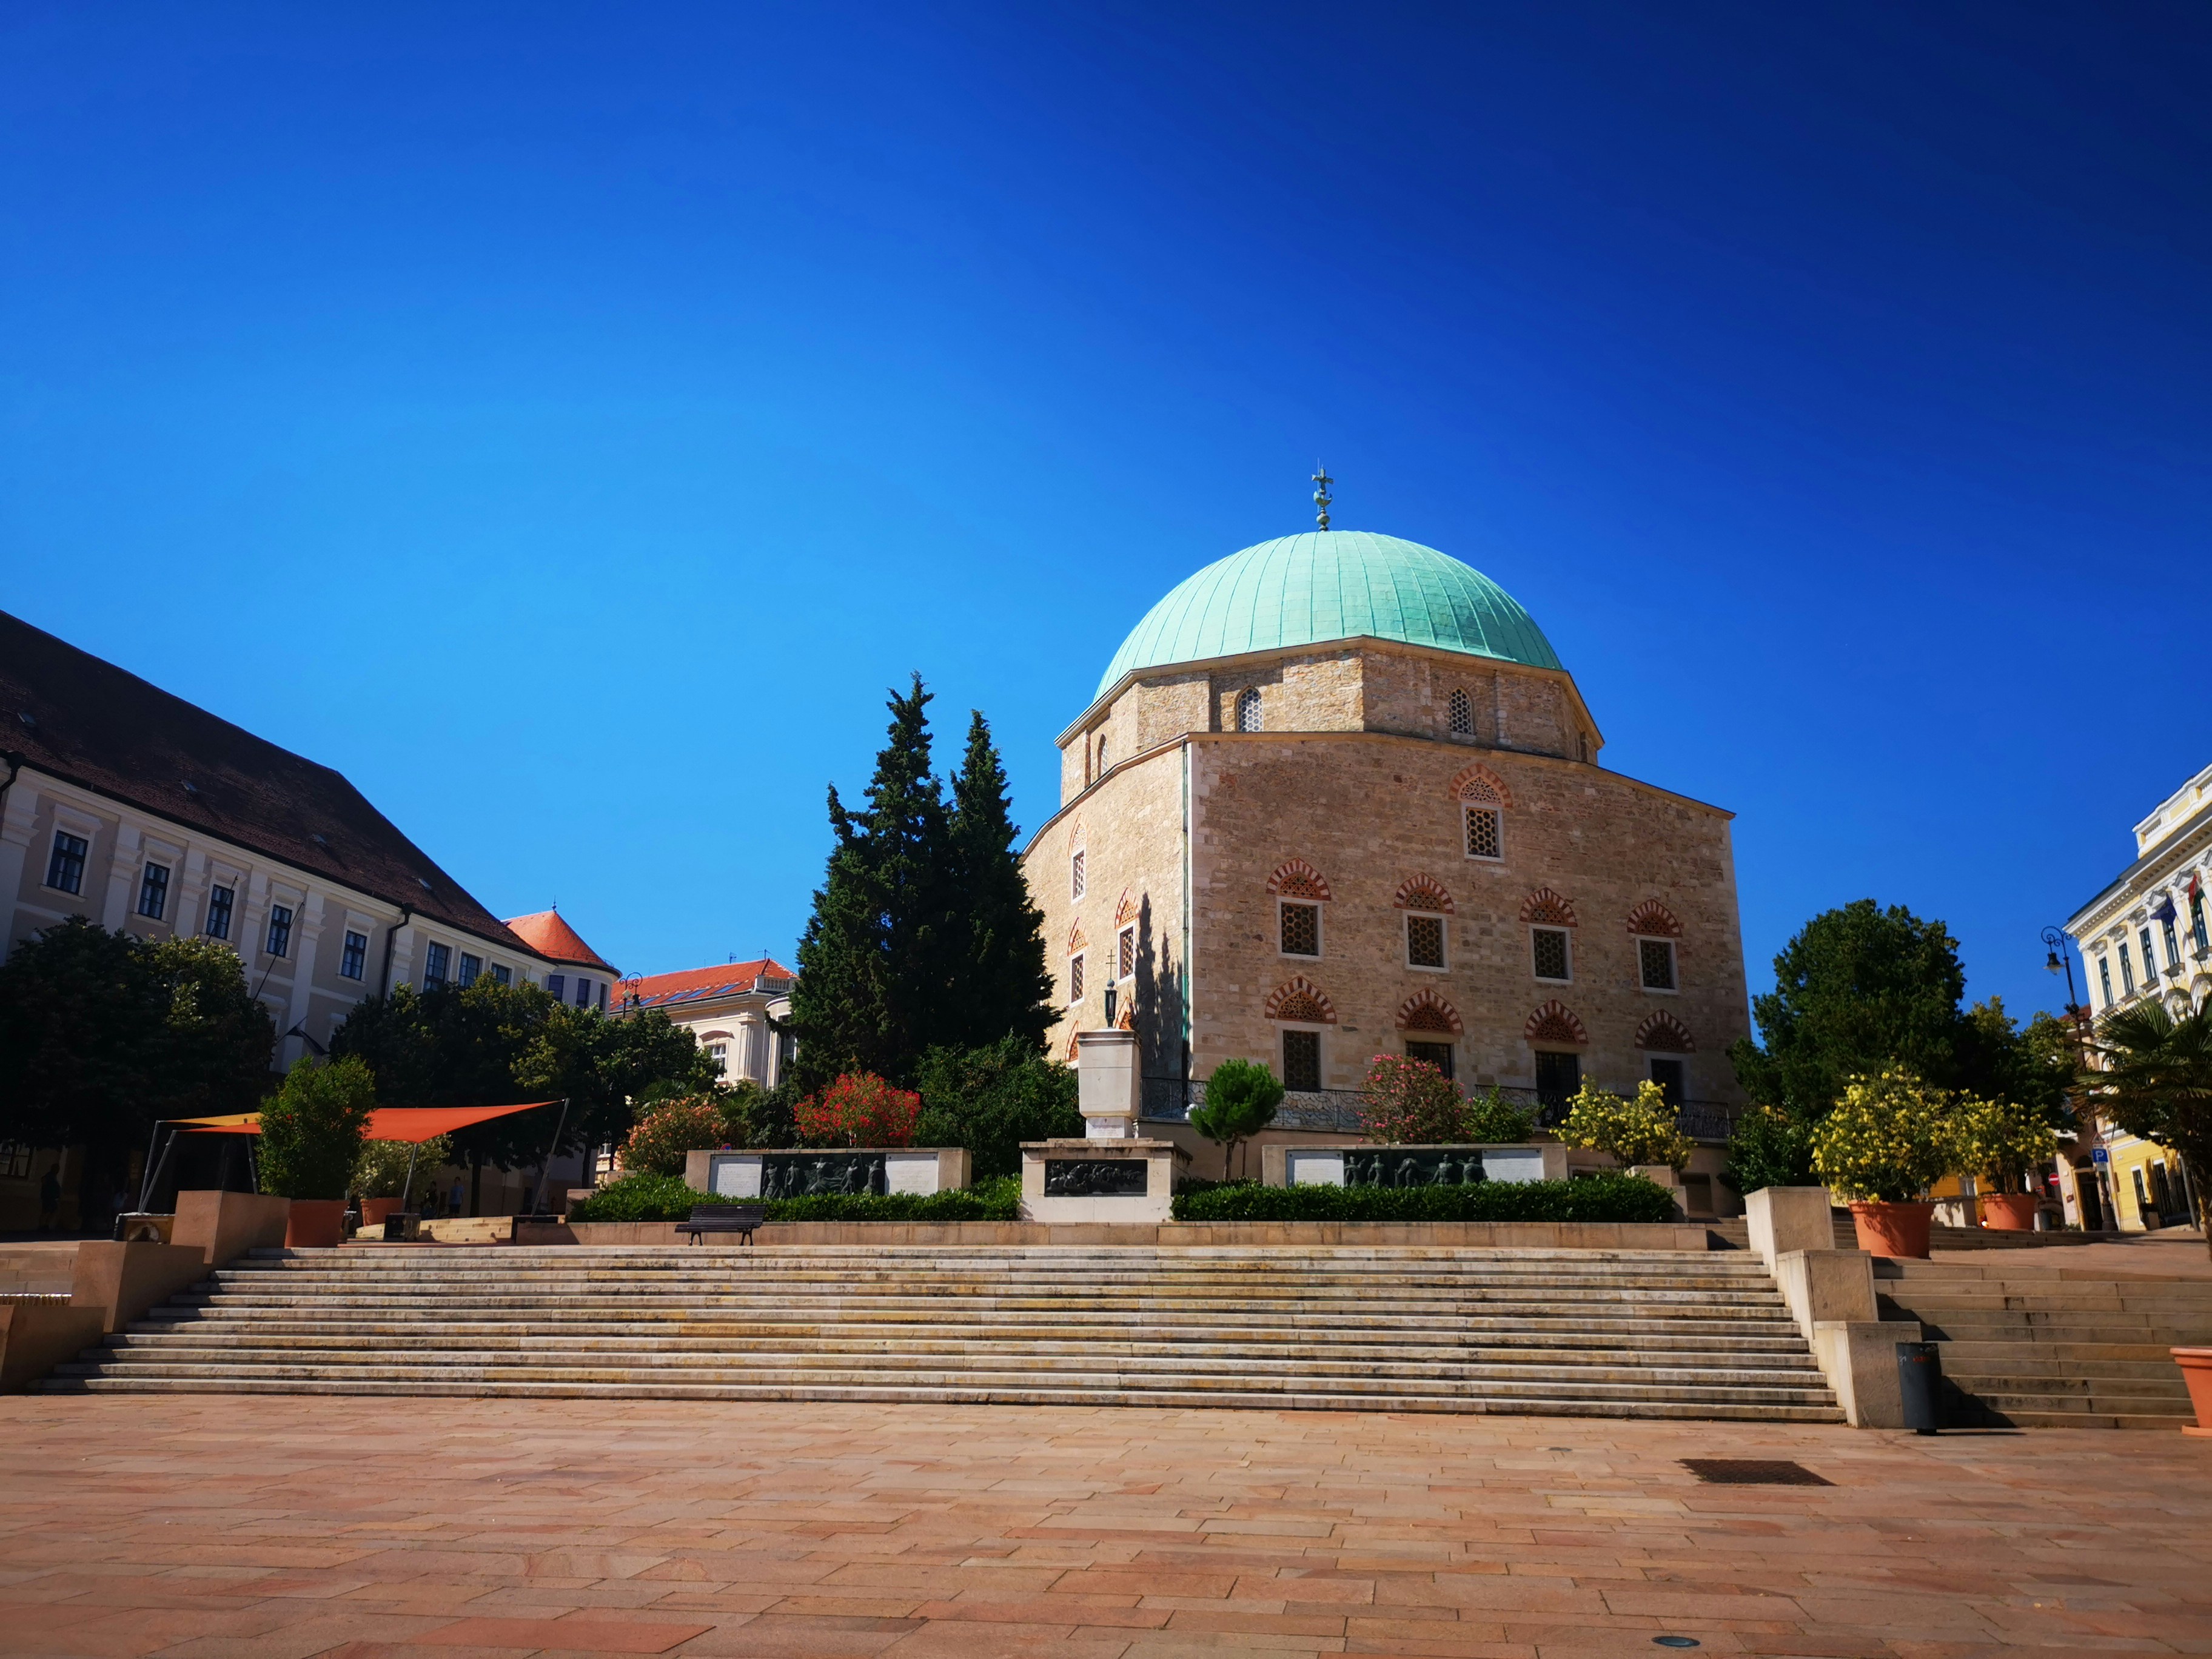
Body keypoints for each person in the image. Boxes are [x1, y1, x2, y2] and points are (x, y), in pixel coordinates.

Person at [37, 1166, 61, 1232]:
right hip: (49, 1197)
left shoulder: (52, 1177)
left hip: (50, 1197)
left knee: (51, 1211)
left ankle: (45, 1225)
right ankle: (43, 1226)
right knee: (46, 1212)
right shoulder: (50, 1177)